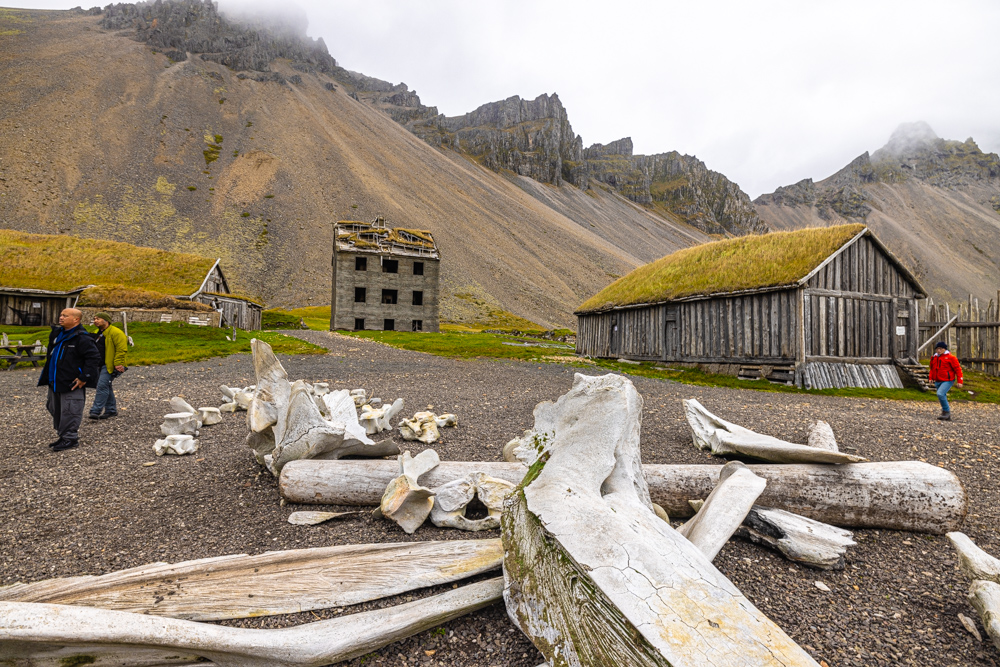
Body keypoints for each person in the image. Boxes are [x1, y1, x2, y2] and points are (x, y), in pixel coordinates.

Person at [38, 308, 101, 451]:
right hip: (55, 380)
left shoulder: (82, 338)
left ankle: (70, 438)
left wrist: (84, 377)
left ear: (76, 319)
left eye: (65, 316)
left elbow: (94, 358)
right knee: (54, 408)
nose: (61, 317)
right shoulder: (57, 334)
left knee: (70, 409)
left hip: (72, 382)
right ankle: (63, 435)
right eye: (61, 315)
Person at [88, 311, 128, 420]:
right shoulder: (98, 333)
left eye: (98, 319)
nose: (95, 321)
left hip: (110, 364)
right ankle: (111, 410)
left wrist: (118, 363)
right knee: (106, 385)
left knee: (102, 385)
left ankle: (95, 411)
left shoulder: (116, 332)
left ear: (106, 320)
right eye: (94, 319)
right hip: (99, 364)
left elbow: (121, 349)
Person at [929, 341, 963, 421]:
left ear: (945, 349)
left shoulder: (951, 358)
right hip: (938, 380)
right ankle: (945, 413)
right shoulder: (934, 357)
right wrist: (931, 377)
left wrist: (960, 381)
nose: (939, 350)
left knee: (940, 394)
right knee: (941, 395)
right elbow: (932, 368)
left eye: (940, 349)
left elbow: (958, 369)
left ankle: (946, 412)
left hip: (948, 380)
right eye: (937, 349)